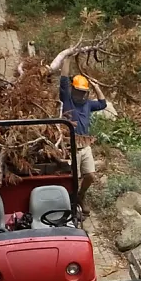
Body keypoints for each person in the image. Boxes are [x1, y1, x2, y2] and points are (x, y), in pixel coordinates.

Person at [57, 72, 108, 211]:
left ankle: (81, 196)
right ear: (73, 89)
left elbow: (103, 103)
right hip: (70, 145)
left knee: (90, 175)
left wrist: (95, 86)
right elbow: (63, 80)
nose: (80, 95)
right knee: (73, 178)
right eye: (78, 91)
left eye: (83, 92)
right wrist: (67, 58)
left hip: (85, 145)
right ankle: (71, 203)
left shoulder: (88, 104)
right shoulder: (67, 100)